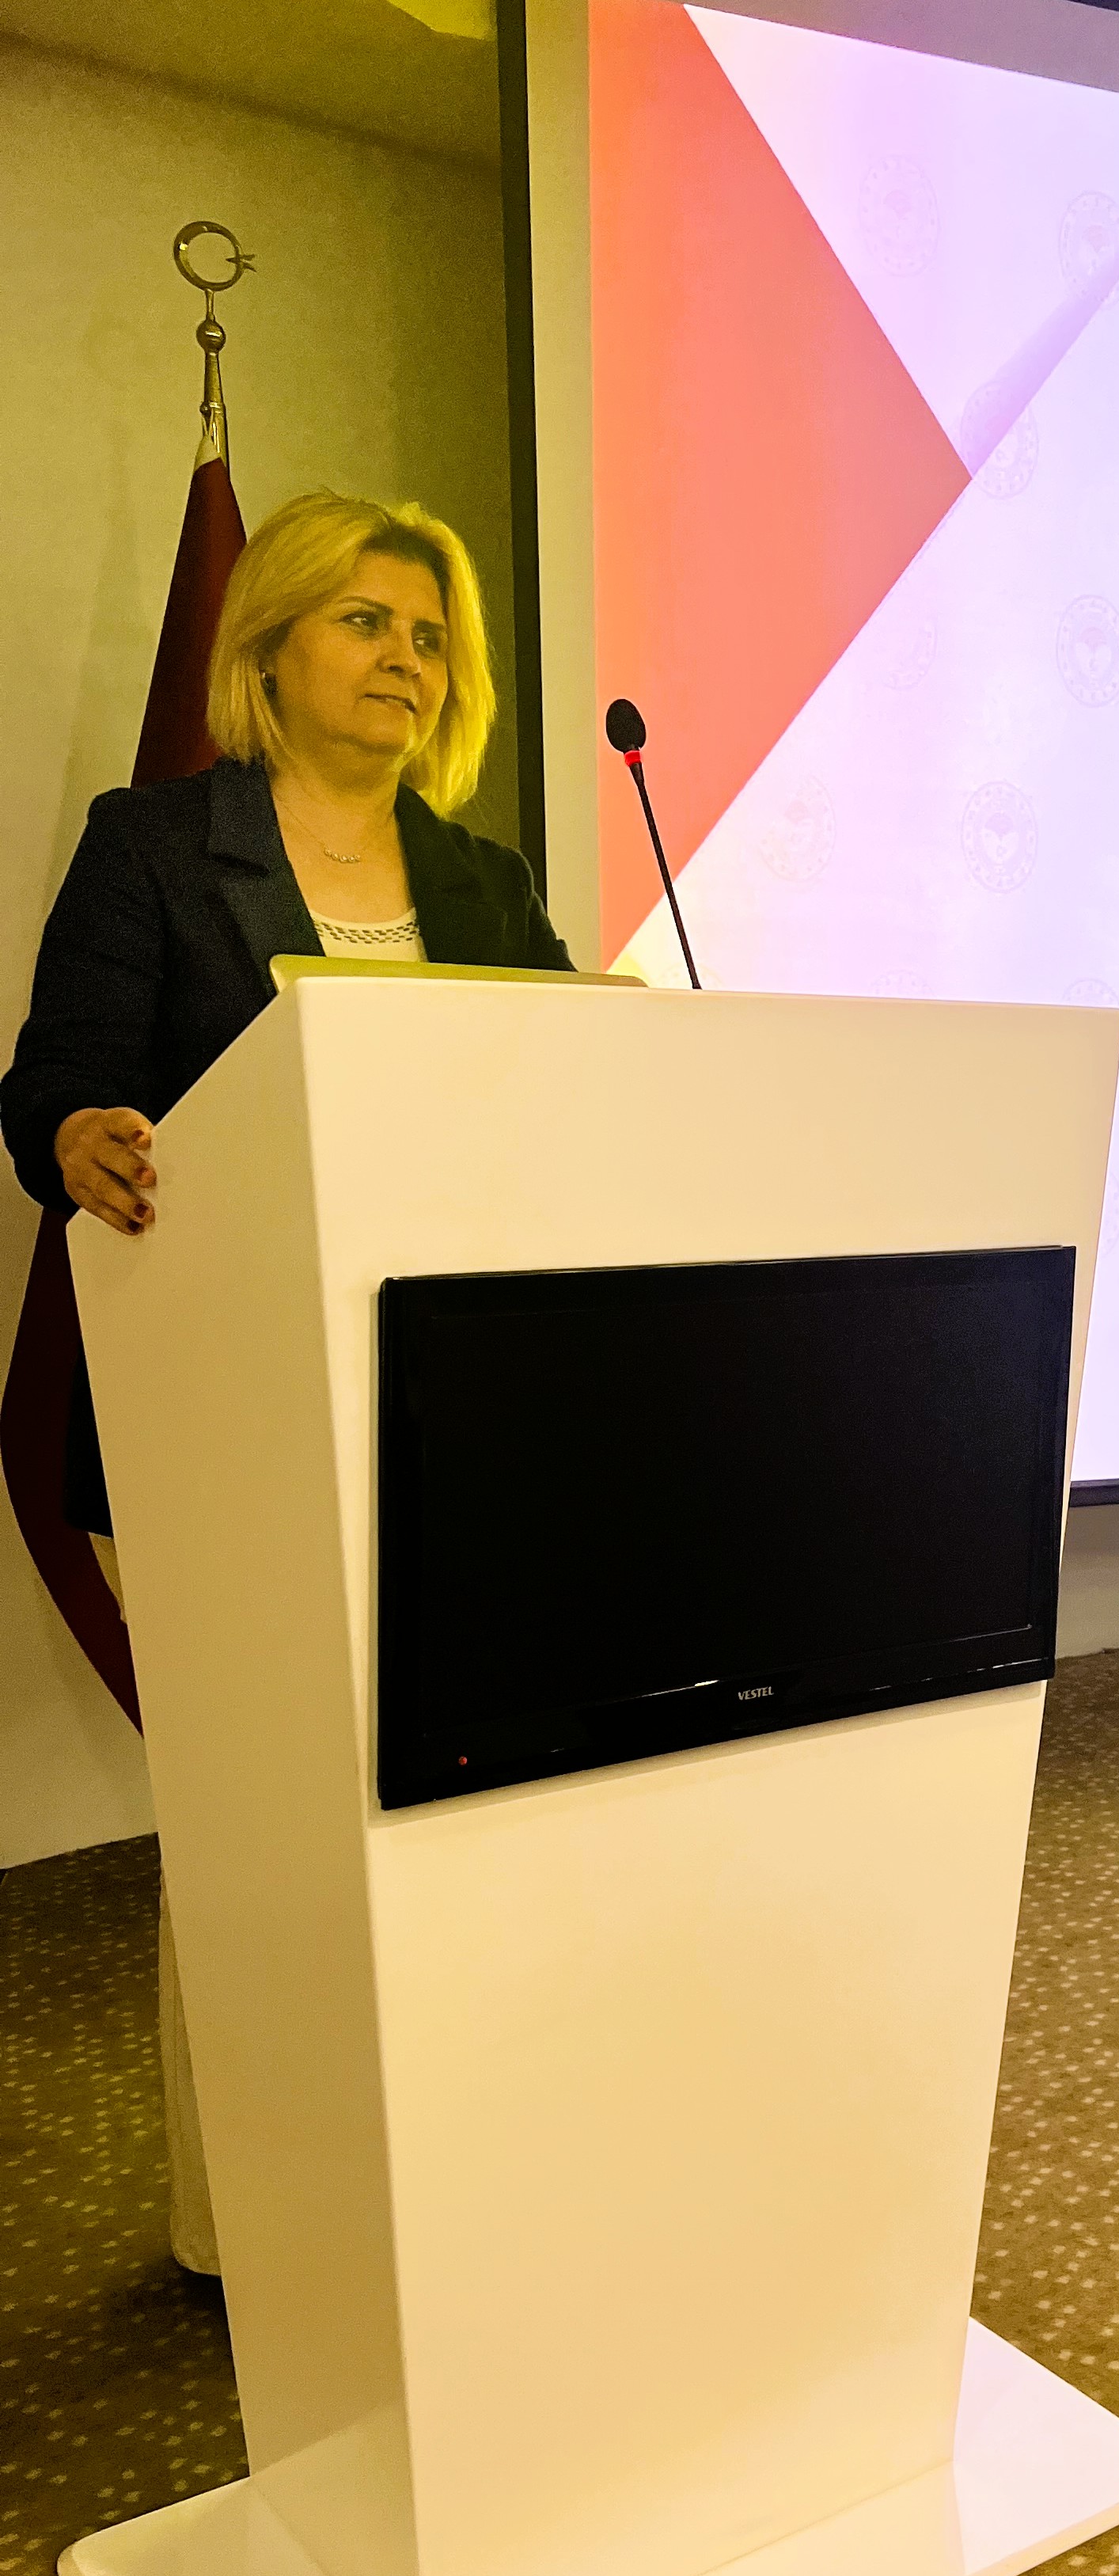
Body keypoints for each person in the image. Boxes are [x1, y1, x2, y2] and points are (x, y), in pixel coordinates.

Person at [0, 488, 573, 2274]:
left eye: (431, 637)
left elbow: (563, 1093)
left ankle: (439, 2173)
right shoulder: (158, 849)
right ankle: (242, 2222)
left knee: (445, 1814)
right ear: (269, 644)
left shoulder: (484, 882)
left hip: (446, 1420)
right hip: (221, 1413)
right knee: (258, 1831)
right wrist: (77, 1134)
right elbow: (54, 1086)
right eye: (367, 622)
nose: (408, 659)